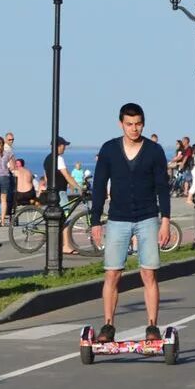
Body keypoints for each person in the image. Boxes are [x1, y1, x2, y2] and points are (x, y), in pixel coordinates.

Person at [87, 102, 172, 344]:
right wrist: (95, 221)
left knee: (149, 273)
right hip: (117, 219)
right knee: (112, 274)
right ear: (121, 124)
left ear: (143, 124)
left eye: (138, 124)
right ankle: (108, 324)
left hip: (147, 217)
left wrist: (165, 220)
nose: (134, 129)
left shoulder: (154, 151)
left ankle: (152, 326)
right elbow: (100, 187)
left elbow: (162, 189)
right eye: (129, 124)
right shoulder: (109, 150)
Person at [43, 136, 79, 254]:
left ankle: (60, 244)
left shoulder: (47, 159)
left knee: (57, 218)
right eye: (64, 145)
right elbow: (67, 175)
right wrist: (79, 187)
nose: (65, 148)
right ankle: (66, 246)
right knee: (66, 218)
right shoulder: (58, 158)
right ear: (59, 145)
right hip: (60, 192)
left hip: (51, 192)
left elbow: (47, 177)